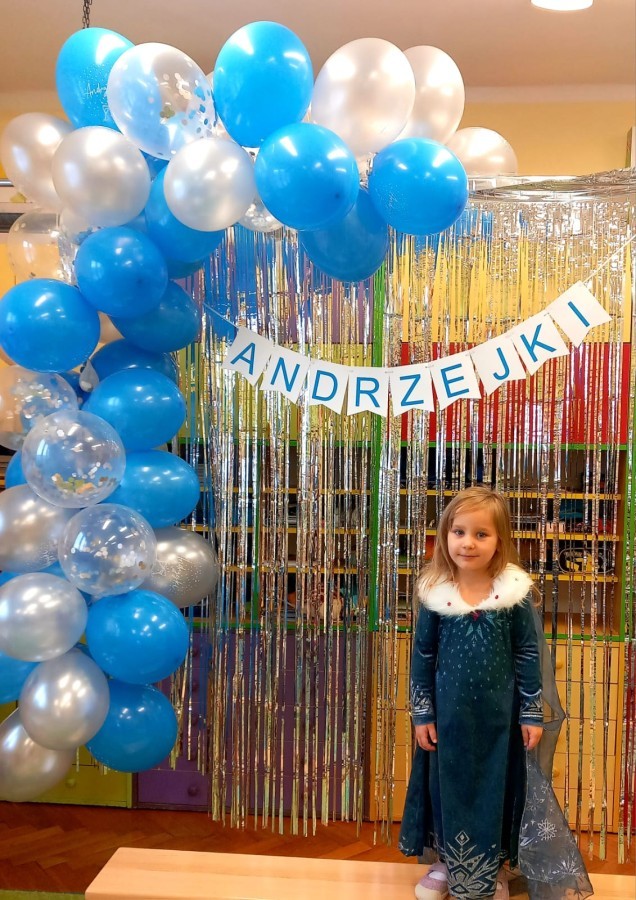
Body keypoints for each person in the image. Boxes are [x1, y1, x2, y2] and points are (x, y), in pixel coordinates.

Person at [398, 487, 593, 900]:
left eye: (481, 534)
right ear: (445, 535)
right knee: (446, 789)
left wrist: (530, 712)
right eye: (459, 532)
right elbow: (423, 655)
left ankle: (495, 867)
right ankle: (448, 861)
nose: (468, 543)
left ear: (499, 540)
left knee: (497, 790)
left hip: (499, 725)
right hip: (448, 724)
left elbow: (527, 653)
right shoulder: (435, 594)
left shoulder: (513, 596)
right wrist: (422, 713)